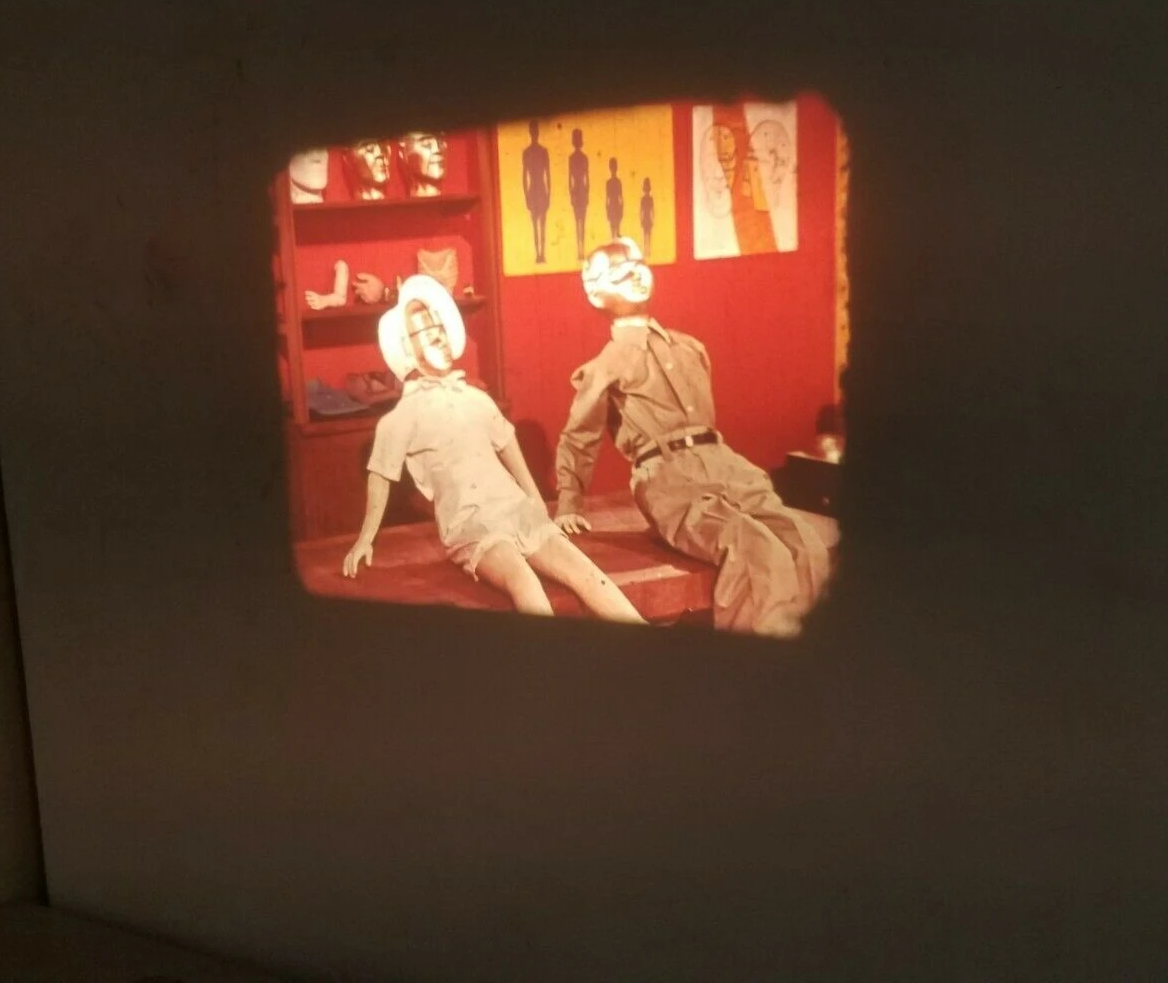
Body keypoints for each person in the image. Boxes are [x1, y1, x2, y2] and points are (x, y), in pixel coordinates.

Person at [553, 240, 828, 637]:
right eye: (619, 272)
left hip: (724, 463)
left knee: (806, 544)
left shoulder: (690, 348)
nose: (635, 273)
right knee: (756, 551)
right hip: (670, 480)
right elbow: (579, 436)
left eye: (638, 264)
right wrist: (569, 502)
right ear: (595, 293)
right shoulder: (605, 366)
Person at [344, 275, 646, 624]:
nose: (438, 336)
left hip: (515, 510)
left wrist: (537, 503)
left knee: (588, 574)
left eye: (439, 327)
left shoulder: (477, 399)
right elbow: (380, 474)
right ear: (406, 348)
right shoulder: (402, 417)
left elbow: (508, 447)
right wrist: (365, 539)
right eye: (426, 332)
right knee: (524, 581)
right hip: (470, 523)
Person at [521, 121, 551, 264]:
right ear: (531, 132)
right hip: (533, 188)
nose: (534, 133)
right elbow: (524, 175)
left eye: (536, 131)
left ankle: (542, 253)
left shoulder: (543, 151)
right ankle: (537, 254)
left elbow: (548, 174)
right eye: (533, 131)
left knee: (542, 223)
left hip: (540, 188)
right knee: (535, 224)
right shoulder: (526, 152)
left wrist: (549, 193)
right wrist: (526, 194)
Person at [568, 128, 590, 262]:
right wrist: (571, 193)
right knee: (578, 222)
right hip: (577, 190)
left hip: (580, 190)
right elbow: (570, 178)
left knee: (581, 222)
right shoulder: (572, 158)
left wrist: (586, 192)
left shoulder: (583, 158)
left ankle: (582, 250)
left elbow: (587, 178)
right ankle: (579, 251)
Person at [604, 157, 624, 240]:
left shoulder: (618, 182)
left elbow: (620, 197)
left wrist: (621, 208)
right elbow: (607, 198)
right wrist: (607, 210)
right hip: (612, 207)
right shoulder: (608, 183)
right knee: (613, 229)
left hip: (616, 206)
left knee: (617, 229)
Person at [639, 177, 655, 259]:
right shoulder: (644, 199)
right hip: (646, 218)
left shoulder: (649, 199)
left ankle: (647, 250)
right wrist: (641, 218)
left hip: (647, 218)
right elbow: (641, 210)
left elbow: (652, 210)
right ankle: (646, 250)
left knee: (648, 235)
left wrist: (652, 218)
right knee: (646, 235)